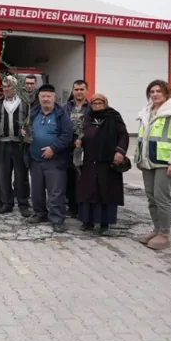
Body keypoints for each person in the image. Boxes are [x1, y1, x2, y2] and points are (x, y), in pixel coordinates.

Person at [134, 79, 171, 250]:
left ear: (166, 93)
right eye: (152, 92)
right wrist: (139, 158)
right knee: (151, 197)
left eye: (158, 91)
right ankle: (156, 230)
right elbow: (142, 138)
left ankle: (164, 234)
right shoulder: (147, 112)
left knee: (162, 198)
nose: (155, 94)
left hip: (165, 162)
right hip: (148, 161)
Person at [75, 93, 129, 235]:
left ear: (105, 104)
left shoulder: (113, 116)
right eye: (95, 103)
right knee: (88, 191)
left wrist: (120, 151)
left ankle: (105, 224)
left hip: (108, 161)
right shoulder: (86, 118)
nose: (97, 106)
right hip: (89, 161)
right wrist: (78, 141)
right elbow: (79, 134)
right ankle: (88, 221)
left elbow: (123, 135)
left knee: (106, 191)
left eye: (100, 103)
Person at [25, 84, 73, 232]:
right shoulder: (34, 113)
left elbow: (67, 136)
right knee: (37, 191)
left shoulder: (62, 115)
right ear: (39, 98)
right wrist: (24, 132)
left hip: (55, 161)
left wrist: (53, 148)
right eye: (43, 96)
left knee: (55, 192)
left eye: (48, 96)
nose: (46, 99)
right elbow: (27, 129)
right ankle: (40, 213)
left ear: (54, 97)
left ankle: (57, 219)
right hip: (35, 160)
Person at [0, 77, 31, 216]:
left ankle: (23, 204)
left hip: (20, 144)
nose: (6, 89)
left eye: (9, 86)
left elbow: (31, 122)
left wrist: (27, 132)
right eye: (4, 86)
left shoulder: (25, 102)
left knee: (21, 176)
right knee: (3, 176)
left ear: (16, 87)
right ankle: (7, 203)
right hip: (3, 143)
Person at [64, 79, 90, 218]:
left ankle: (83, 207)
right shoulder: (65, 107)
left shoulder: (91, 107)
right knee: (70, 177)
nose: (79, 92)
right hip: (68, 146)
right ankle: (72, 206)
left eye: (82, 89)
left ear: (86, 90)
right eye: (76, 89)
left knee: (83, 178)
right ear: (73, 91)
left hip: (86, 147)